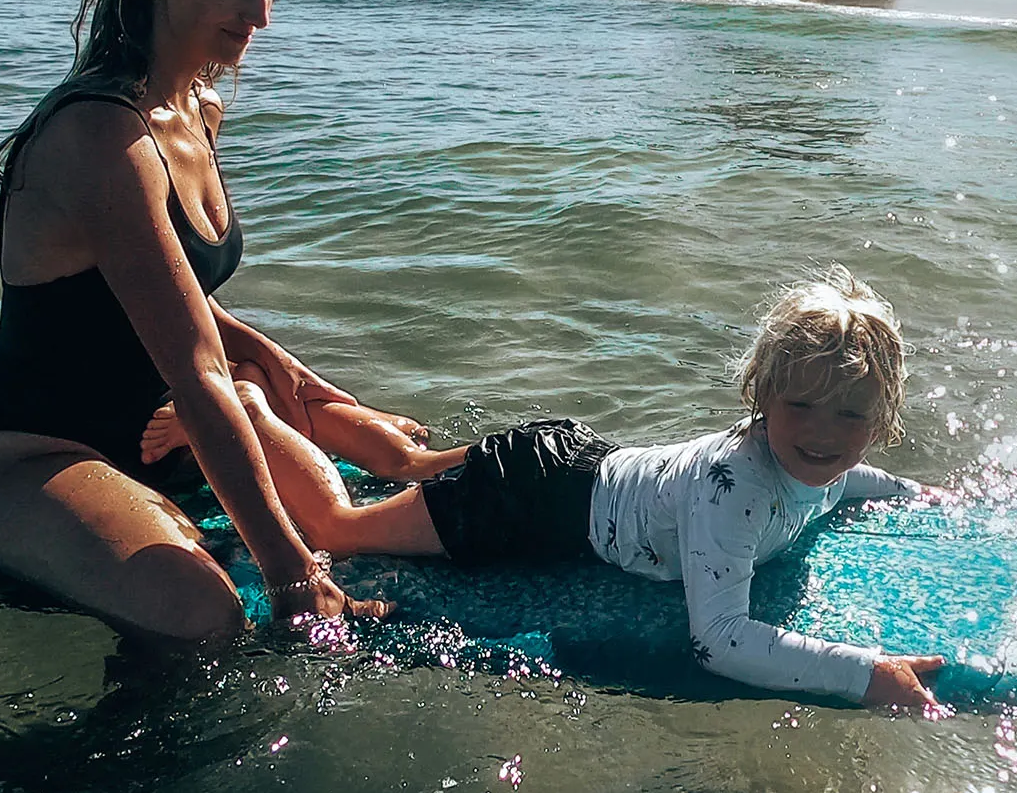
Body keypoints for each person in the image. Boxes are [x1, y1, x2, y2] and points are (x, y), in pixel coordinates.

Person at [0, 0, 460, 642]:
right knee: (203, 613)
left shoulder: (195, 109)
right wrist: (294, 577)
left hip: (158, 429)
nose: (259, 16)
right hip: (33, 457)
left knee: (286, 405)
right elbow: (195, 369)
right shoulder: (99, 138)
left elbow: (172, 298)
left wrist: (295, 376)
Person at [284, 268, 950, 712]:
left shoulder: (814, 461)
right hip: (528, 499)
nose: (823, 435)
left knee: (413, 463)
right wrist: (865, 674)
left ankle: (313, 416)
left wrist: (910, 491)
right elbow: (719, 639)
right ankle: (252, 411)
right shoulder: (737, 491)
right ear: (763, 395)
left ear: (882, 420)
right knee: (337, 531)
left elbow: (842, 479)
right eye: (801, 405)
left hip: (572, 456)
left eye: (850, 415)